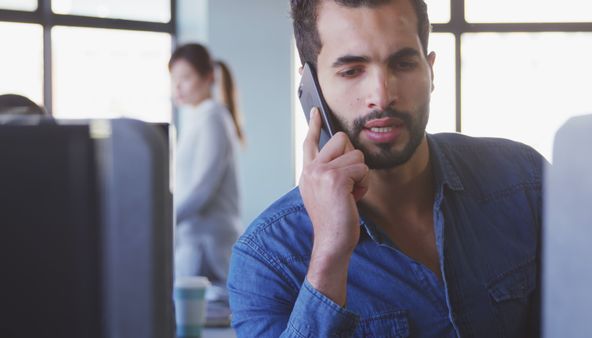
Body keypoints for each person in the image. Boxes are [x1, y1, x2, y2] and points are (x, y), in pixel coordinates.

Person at [228, 0, 544, 337]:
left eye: (404, 63)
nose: (381, 95)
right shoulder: (266, 260)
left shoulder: (526, 182)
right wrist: (330, 255)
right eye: (352, 71)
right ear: (310, 88)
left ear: (430, 70)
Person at [169, 43, 244, 326]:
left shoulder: (213, 117)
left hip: (208, 245)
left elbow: (203, 188)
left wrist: (167, 217)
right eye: (174, 80)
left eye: (185, 78)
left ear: (208, 77)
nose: (178, 87)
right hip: (194, 240)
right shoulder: (197, 117)